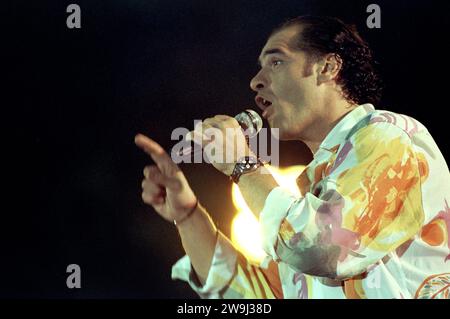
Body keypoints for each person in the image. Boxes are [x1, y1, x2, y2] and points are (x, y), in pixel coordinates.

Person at [134, 16, 450, 299]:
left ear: (328, 67)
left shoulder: (391, 138)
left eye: (276, 62)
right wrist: (188, 216)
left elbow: (320, 246)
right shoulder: (312, 193)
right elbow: (258, 296)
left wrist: (243, 166)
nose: (255, 81)